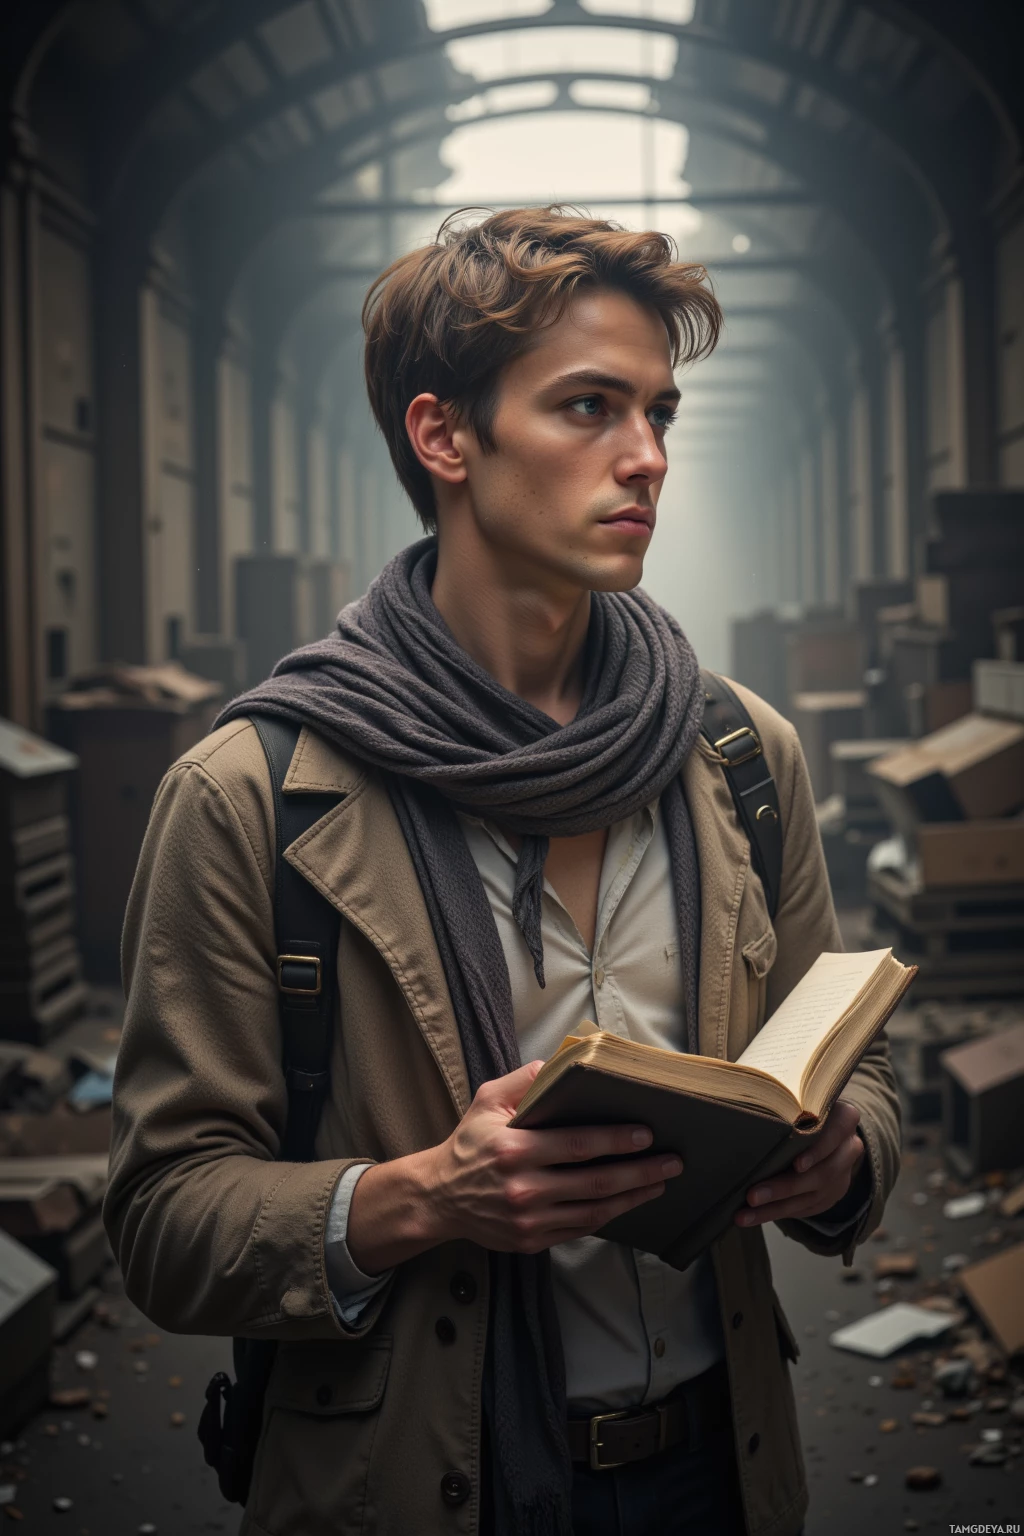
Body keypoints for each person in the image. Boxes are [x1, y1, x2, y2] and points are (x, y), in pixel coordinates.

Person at [104, 207, 900, 1536]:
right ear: (444, 437)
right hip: (424, 1486)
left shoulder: (739, 755)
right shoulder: (252, 796)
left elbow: (851, 1063)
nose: (646, 456)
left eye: (659, 411)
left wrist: (846, 1153)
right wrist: (422, 1198)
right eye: (589, 406)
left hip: (722, 1469)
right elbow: (162, 1220)